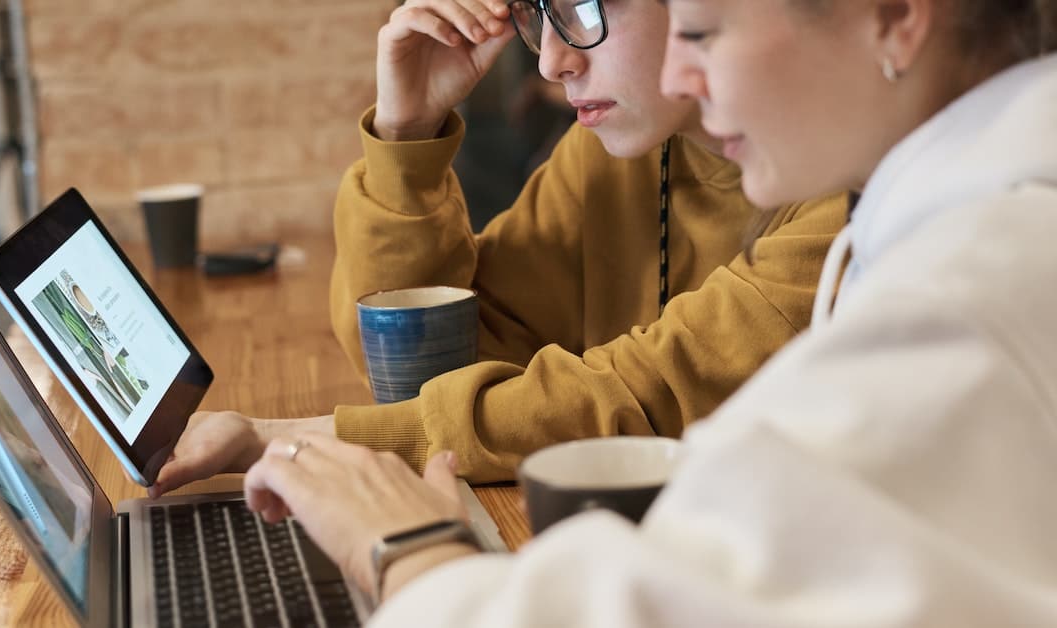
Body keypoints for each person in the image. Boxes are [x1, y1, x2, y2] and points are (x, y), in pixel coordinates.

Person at [233, 0, 1057, 625]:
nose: (678, 77)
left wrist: (404, 541)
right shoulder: (935, 217)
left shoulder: (966, 285)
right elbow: (431, 369)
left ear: (896, 15)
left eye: (702, 31)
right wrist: (407, 140)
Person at [151, 0, 848, 493]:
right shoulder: (619, 154)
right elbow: (425, 368)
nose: (551, 61)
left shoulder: (851, 196)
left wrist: (285, 440)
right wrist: (406, 136)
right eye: (534, 11)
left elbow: (634, 398)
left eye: (584, 4)